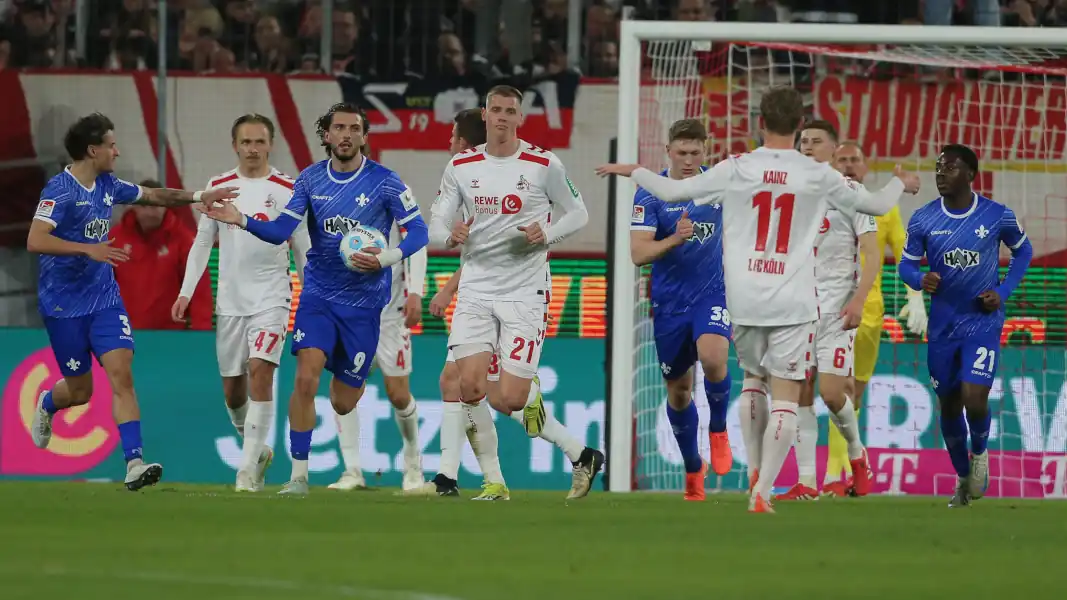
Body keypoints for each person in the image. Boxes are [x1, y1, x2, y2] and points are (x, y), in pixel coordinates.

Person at [596, 86, 920, 512]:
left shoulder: (738, 167)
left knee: (753, 384)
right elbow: (878, 204)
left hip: (745, 296)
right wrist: (903, 181)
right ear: (799, 125)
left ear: (760, 125)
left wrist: (635, 169)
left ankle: (752, 473)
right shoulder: (819, 176)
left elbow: (673, 193)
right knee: (788, 395)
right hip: (794, 298)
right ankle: (762, 491)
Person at [197, 102, 429, 495]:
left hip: (365, 306)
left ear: (363, 136)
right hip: (319, 297)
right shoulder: (308, 181)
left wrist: (387, 258)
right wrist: (241, 220)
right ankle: (298, 477)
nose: (345, 135)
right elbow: (281, 231)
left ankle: (348, 394)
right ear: (327, 135)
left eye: (353, 129)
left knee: (342, 402)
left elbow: (419, 233)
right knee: (305, 378)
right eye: (338, 128)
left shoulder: (386, 182)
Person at [26, 112, 237, 490]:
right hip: (62, 305)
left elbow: (155, 195)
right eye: (111, 145)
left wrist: (200, 196)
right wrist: (85, 249)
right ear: (93, 150)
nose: (117, 151)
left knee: (122, 374)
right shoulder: (58, 191)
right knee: (80, 391)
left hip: (104, 300)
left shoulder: (108, 185)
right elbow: (35, 239)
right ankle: (47, 404)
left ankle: (134, 463)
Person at [428, 87, 598, 501]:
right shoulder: (462, 165)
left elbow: (580, 213)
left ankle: (582, 455)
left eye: (511, 111)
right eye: (496, 110)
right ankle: (495, 484)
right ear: (484, 114)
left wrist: (548, 233)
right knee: (466, 385)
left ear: (520, 117)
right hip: (476, 290)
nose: (502, 117)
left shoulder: (543, 163)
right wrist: (451, 234)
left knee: (512, 397)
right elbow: (434, 225)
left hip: (525, 291)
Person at [174, 113, 311, 492]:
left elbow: (301, 246)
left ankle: (247, 470)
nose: (253, 149)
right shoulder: (218, 186)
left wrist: (311, 296)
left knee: (261, 371)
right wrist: (187, 291)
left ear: (271, 145)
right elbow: (203, 243)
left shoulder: (288, 188)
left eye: (260, 142)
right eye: (246, 142)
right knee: (233, 392)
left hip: (272, 298)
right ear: (235, 145)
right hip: (231, 302)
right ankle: (258, 449)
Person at [898, 144, 1032, 507]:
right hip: (942, 327)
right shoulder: (923, 219)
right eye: (938, 167)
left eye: (951, 168)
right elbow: (905, 266)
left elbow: (1024, 252)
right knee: (949, 406)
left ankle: (980, 452)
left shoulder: (997, 215)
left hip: (982, 322)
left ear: (971, 174)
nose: (941, 173)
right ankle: (961, 478)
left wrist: (1002, 292)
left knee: (975, 397)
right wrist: (919, 278)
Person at [629, 118, 732, 501]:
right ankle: (693, 470)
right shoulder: (649, 195)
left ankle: (719, 428)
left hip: (712, 294)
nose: (689, 160)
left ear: (706, 151)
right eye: (681, 152)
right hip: (669, 303)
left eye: (696, 152)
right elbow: (638, 253)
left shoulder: (719, 186)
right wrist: (674, 238)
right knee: (679, 391)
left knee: (714, 357)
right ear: (668, 151)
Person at [775, 121, 877, 501]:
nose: (807, 147)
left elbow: (871, 253)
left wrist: (858, 299)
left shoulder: (853, 193)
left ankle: (857, 454)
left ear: (834, 150)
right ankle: (806, 482)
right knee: (798, 388)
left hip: (837, 309)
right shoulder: (789, 192)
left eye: (816, 142)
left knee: (833, 395)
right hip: (796, 309)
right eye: (803, 141)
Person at [823, 141, 928, 497]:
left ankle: (845, 469)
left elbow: (903, 252)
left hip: (867, 315)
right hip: (822, 310)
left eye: (855, 160)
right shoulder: (818, 201)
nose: (849, 165)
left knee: (851, 395)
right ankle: (831, 475)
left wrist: (915, 296)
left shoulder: (883, 208)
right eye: (843, 160)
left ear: (865, 168)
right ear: (832, 165)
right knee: (833, 390)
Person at [330, 177, 429, 493]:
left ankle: (413, 467)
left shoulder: (391, 192)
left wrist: (415, 291)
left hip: (390, 314)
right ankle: (351, 471)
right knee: (343, 395)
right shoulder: (328, 197)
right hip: (352, 314)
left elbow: (418, 239)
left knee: (399, 394)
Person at [110, 179, 214, 331]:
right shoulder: (115, 238)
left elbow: (200, 289)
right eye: (144, 206)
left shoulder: (183, 240)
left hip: (171, 336)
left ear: (166, 207)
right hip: (123, 332)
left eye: (156, 206)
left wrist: (201, 334)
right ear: (134, 207)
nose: (150, 212)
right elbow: (100, 286)